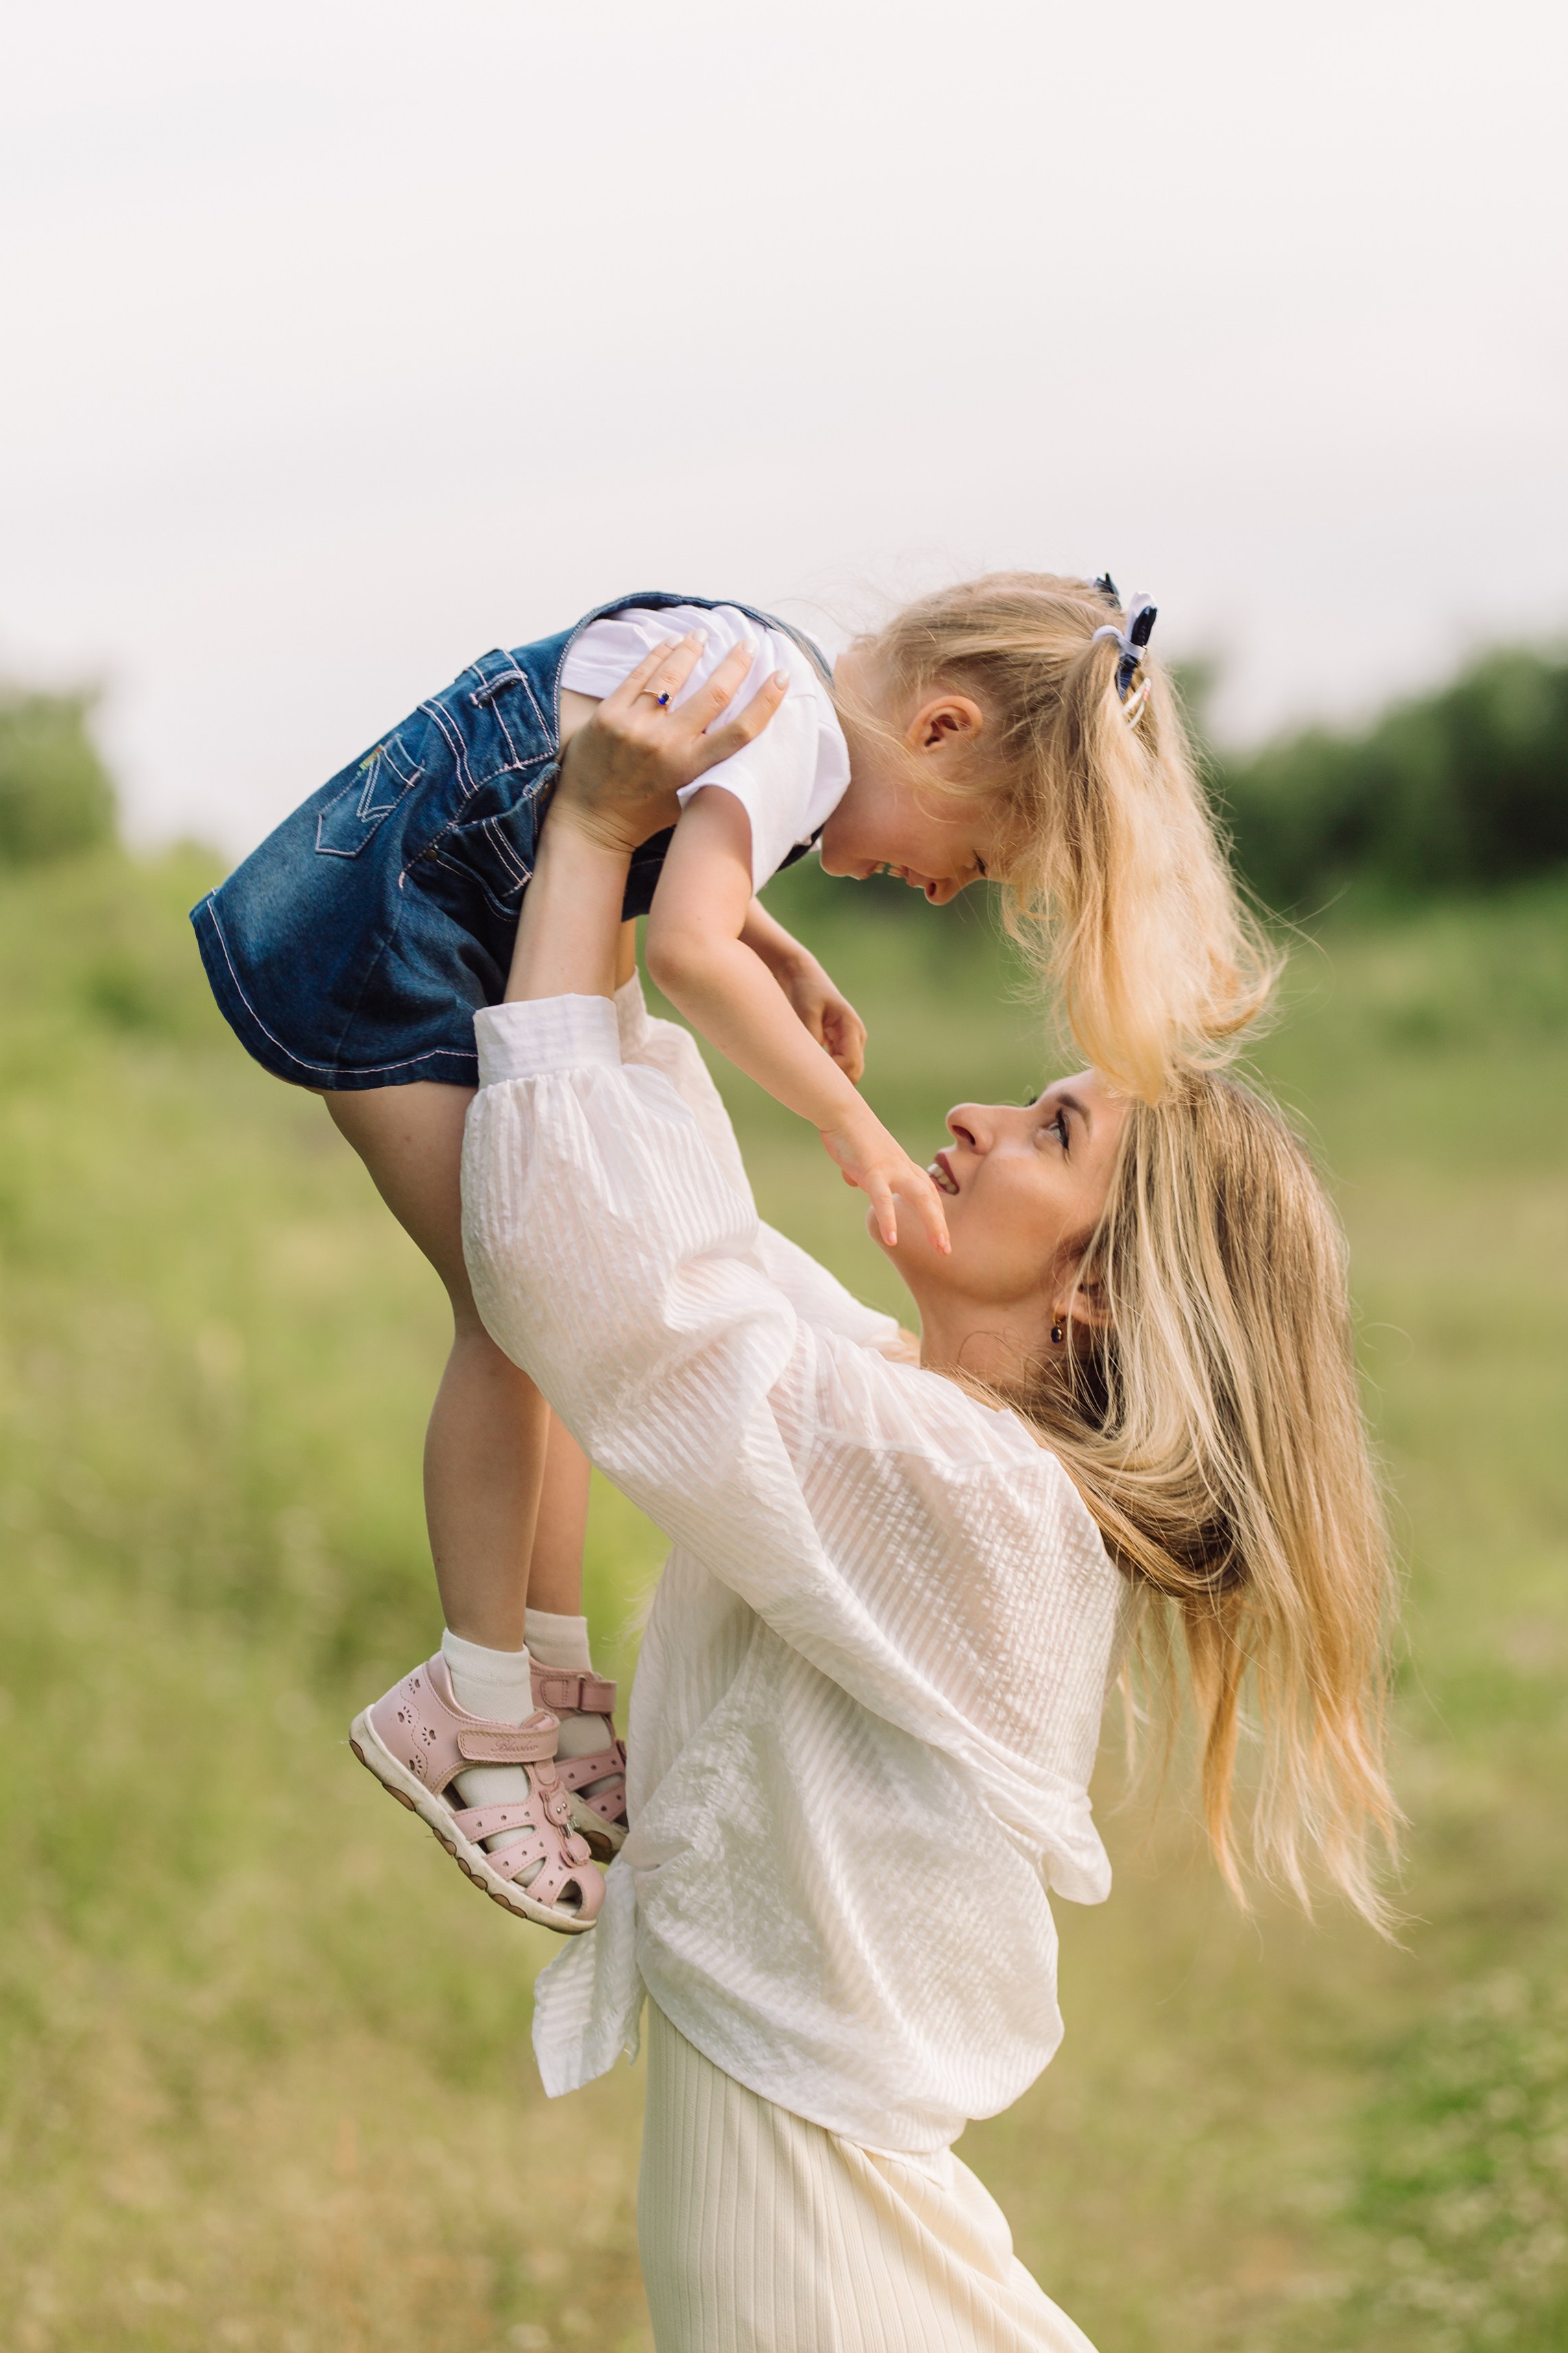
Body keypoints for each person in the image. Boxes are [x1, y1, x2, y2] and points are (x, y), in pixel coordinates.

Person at [424, 705, 1399, 2350]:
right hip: (825, 2222)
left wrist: (596, 845)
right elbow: (682, 1250)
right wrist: (669, 921)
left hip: (829, 2255)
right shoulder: (924, 1430)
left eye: (1051, 1134)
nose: (971, 1120)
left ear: (1096, 1292)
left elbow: (613, 1295)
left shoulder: (975, 1501)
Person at [192, 578, 1271, 1928]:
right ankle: (470, 1706)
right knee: (510, 1308)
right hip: (384, 936)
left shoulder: (775, 709)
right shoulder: (791, 727)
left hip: (431, 918)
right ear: (938, 731)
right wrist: (849, 1126)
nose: (940, 889)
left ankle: (545, 1681)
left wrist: (783, 942)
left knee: (536, 1335)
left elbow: (687, 860)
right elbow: (689, 952)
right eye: (978, 858)